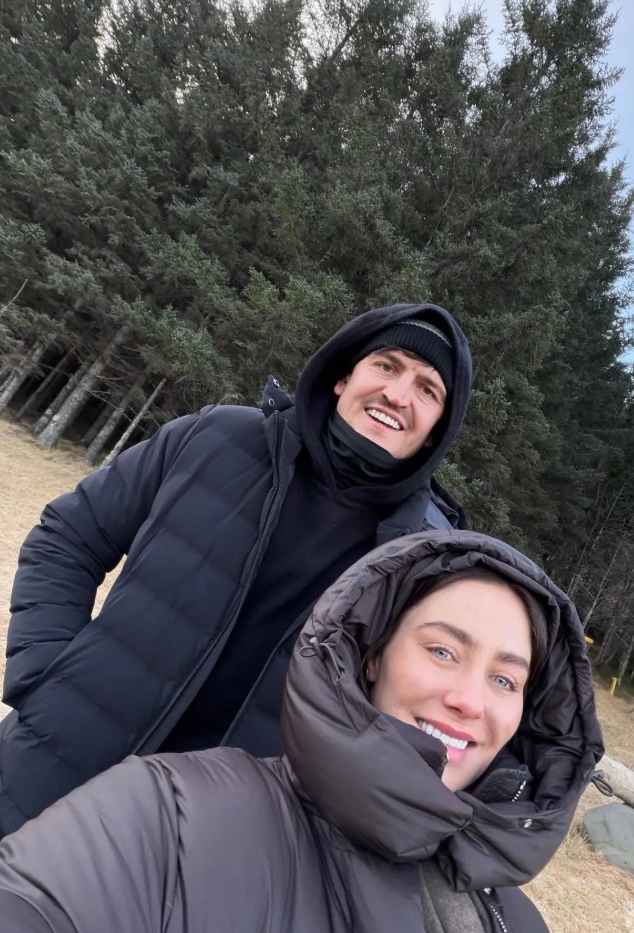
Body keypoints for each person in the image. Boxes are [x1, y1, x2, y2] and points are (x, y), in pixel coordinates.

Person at [0, 528, 604, 933]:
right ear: (372, 654)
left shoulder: (521, 929)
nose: (470, 700)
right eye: (442, 651)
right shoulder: (172, 817)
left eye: (504, 679)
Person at [0, 303, 473, 835]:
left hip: (208, 842)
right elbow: (70, 535)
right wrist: (45, 677)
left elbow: (426, 719)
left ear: (435, 432)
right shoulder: (215, 437)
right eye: (386, 365)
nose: (398, 394)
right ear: (343, 378)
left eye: (427, 390)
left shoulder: (424, 562)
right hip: (47, 770)